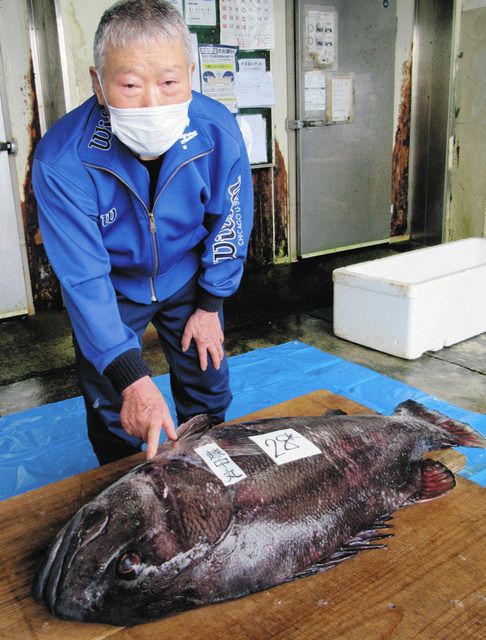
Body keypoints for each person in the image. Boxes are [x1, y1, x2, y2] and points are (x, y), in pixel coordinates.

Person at [32, 0, 253, 465]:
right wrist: (131, 375)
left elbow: (230, 222)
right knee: (114, 400)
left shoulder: (218, 131)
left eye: (170, 82)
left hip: (185, 275)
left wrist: (211, 303)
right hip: (111, 289)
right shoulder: (62, 161)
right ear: (98, 81)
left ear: (190, 75)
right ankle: (123, 489)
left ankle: (210, 471)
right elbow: (83, 278)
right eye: (130, 84)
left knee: (207, 382)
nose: (153, 102)